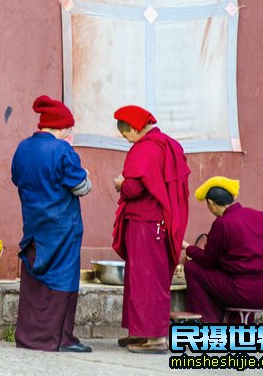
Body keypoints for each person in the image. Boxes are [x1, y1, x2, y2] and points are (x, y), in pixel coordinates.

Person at [11, 96, 92, 353]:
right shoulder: (62, 151)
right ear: (61, 127)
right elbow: (81, 186)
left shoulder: (23, 148)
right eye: (68, 128)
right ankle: (60, 339)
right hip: (61, 227)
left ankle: (28, 337)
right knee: (63, 280)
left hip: (33, 226)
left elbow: (17, 178)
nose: (69, 132)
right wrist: (87, 175)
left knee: (34, 281)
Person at [112, 105, 189, 353]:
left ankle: (155, 339)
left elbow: (135, 188)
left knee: (146, 280)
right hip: (158, 223)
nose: (128, 141)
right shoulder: (169, 145)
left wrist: (120, 184)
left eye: (126, 136)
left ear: (134, 129)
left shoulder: (145, 149)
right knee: (144, 278)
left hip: (145, 223)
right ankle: (141, 332)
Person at [183, 176, 263, 323]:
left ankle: (208, 324)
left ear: (210, 203)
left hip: (249, 293)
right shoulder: (260, 216)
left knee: (192, 268)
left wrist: (188, 248)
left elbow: (208, 261)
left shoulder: (222, 223)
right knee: (234, 274)